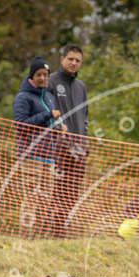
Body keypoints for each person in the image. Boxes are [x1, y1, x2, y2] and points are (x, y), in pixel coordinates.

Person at [13, 57, 65, 236]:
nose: (42, 78)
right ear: (32, 76)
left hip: (48, 156)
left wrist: (59, 128)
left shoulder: (49, 97)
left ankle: (40, 238)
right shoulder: (23, 97)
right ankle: (25, 236)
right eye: (39, 75)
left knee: (45, 199)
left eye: (45, 75)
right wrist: (48, 115)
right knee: (31, 197)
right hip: (31, 155)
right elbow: (21, 125)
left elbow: (49, 123)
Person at [47, 45, 89, 237]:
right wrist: (59, 133)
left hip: (79, 151)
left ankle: (62, 231)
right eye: (70, 59)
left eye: (77, 60)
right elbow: (46, 112)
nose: (74, 63)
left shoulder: (81, 87)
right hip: (58, 148)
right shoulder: (51, 82)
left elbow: (85, 118)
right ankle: (47, 231)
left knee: (72, 193)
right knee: (55, 190)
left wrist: (85, 144)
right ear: (62, 59)